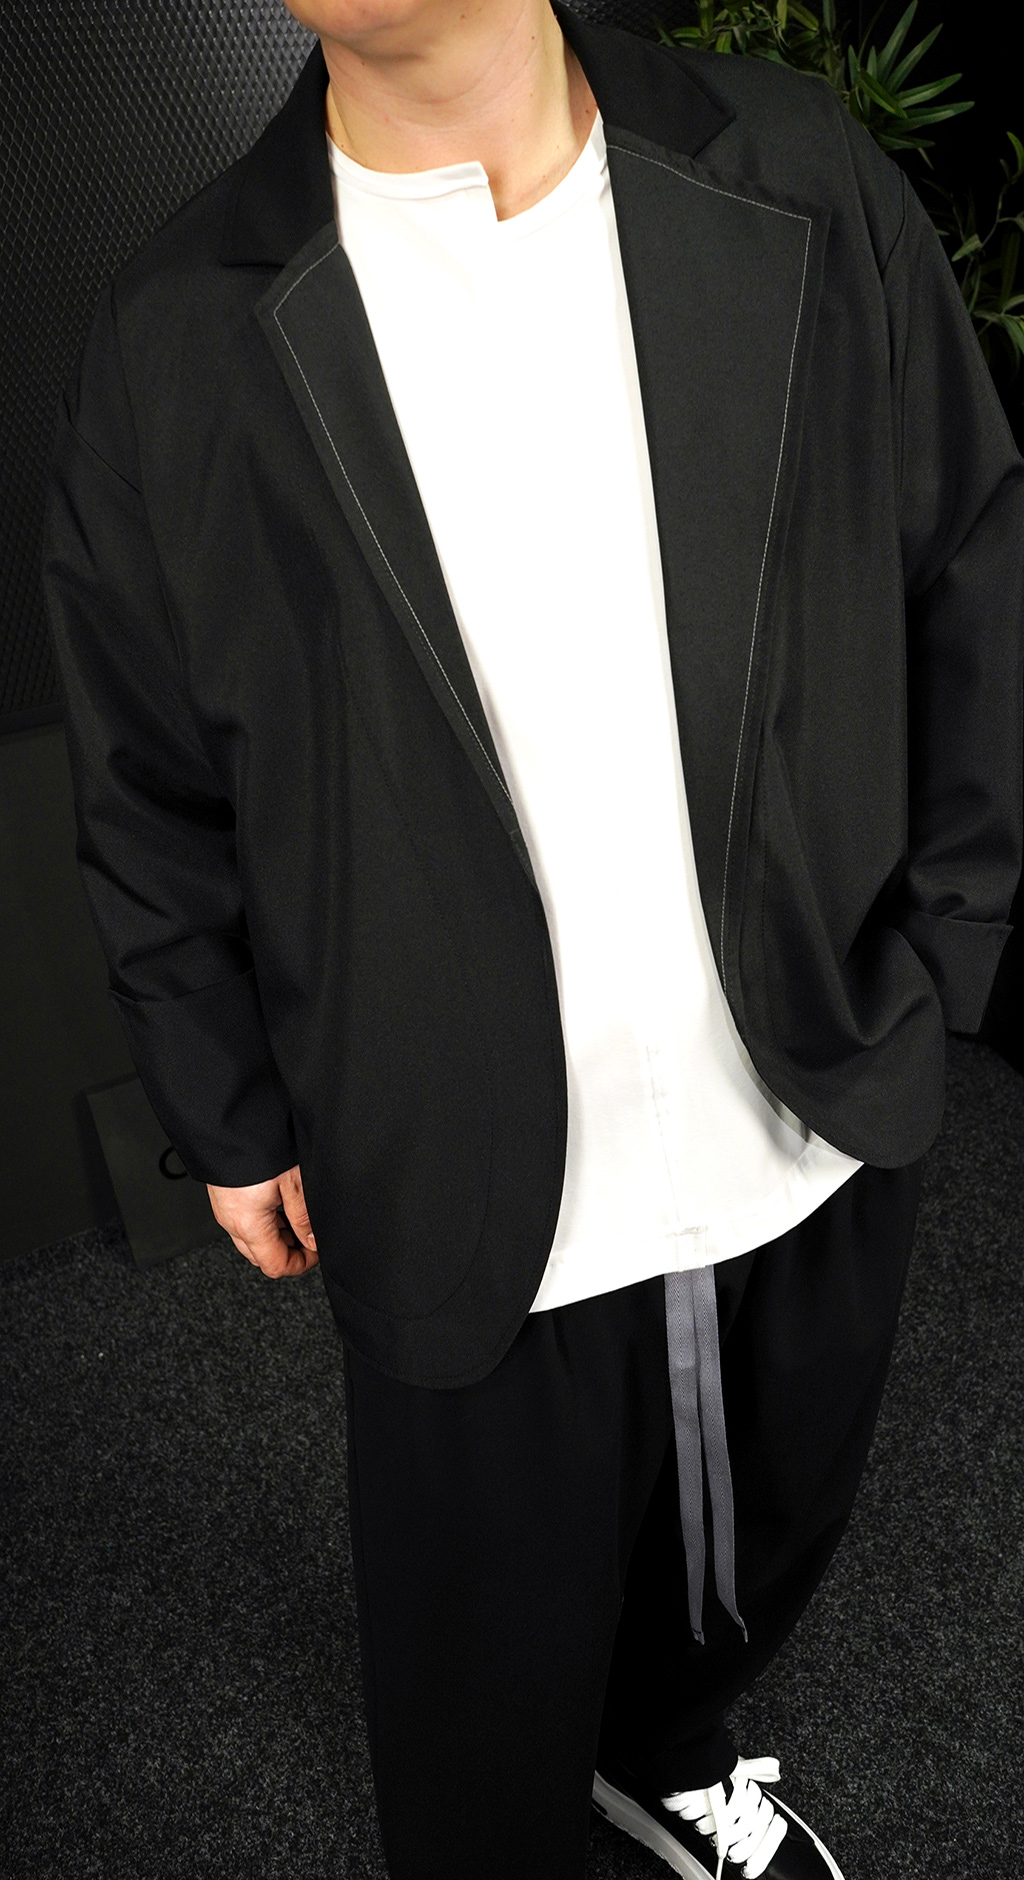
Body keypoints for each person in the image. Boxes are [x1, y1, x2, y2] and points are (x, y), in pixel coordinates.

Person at [41, 0, 1023, 1873]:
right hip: (455, 1147)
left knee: (769, 1532)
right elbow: (147, 768)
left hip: (809, 1075)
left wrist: (951, 940)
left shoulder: (797, 173)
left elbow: (967, 558)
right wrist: (229, 1106)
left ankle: (666, 1754)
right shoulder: (178, 331)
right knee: (478, 1678)